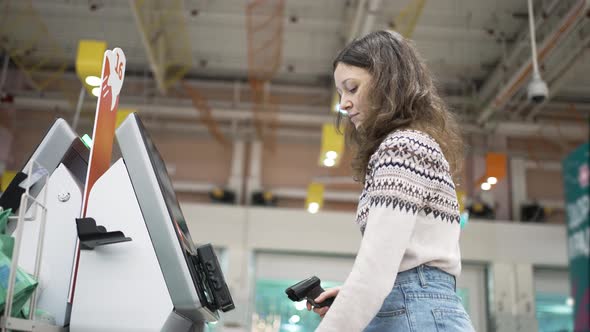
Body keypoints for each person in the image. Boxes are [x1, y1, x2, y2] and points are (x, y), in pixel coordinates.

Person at [307, 30, 475, 331]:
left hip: (415, 312)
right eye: (340, 93)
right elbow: (405, 260)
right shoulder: (415, 144)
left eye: (352, 88)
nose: (344, 104)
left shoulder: (403, 147)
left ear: (388, 82)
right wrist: (352, 297)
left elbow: (376, 268)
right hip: (421, 307)